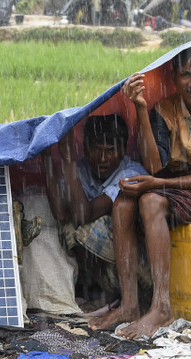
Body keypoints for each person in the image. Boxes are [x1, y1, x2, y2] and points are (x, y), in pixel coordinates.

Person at [90, 47, 191, 338]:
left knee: (151, 202)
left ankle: (162, 307)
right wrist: (140, 107)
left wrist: (156, 185)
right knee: (123, 203)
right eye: (186, 74)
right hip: (175, 183)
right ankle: (129, 305)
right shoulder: (164, 109)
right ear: (174, 77)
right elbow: (155, 166)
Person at [43, 115, 149, 301]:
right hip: (105, 270)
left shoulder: (131, 174)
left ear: (123, 150)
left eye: (110, 151)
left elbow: (83, 215)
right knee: (67, 227)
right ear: (85, 150)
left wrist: (68, 158)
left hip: (139, 268)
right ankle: (101, 293)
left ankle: (129, 299)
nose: (102, 158)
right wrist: (46, 157)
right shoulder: (83, 170)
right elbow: (60, 213)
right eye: (95, 150)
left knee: (87, 227)